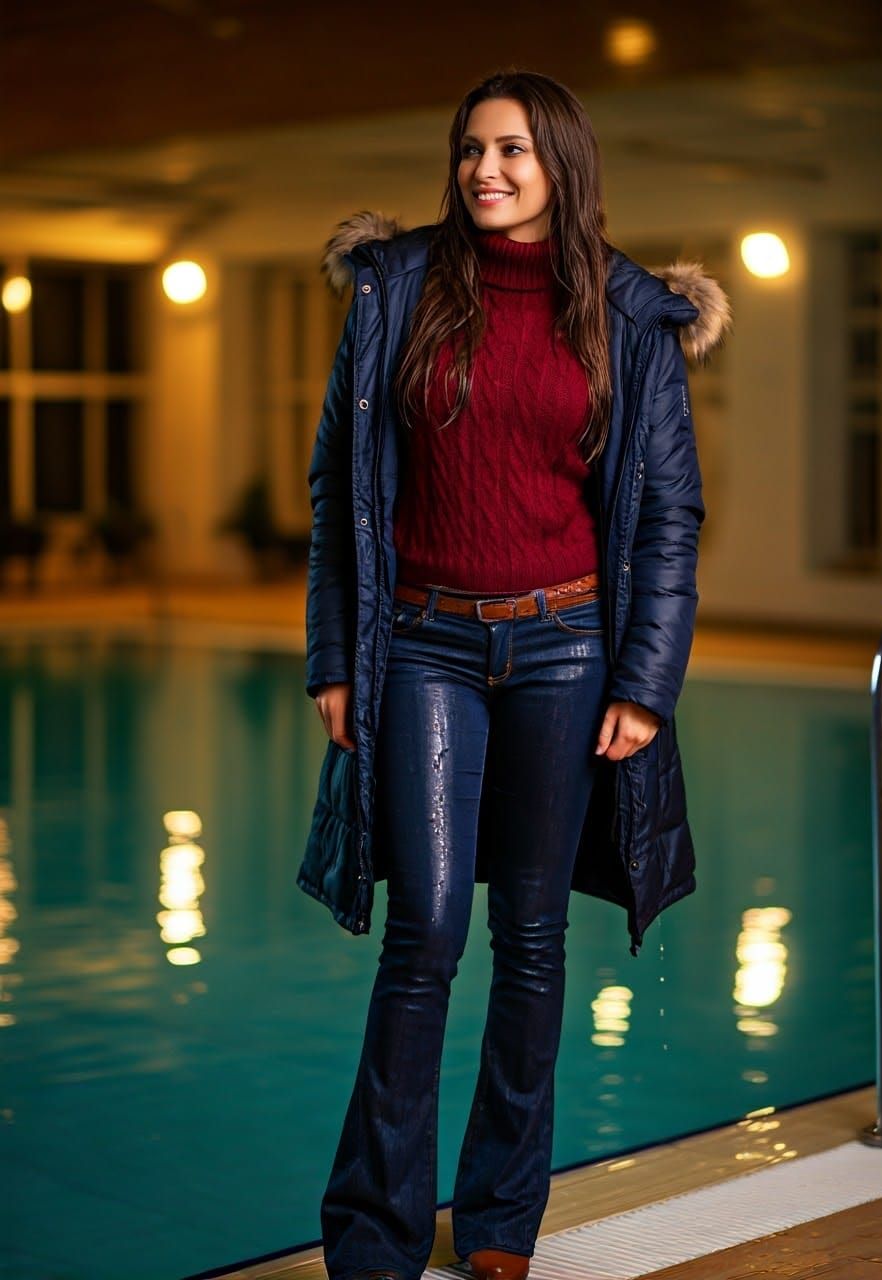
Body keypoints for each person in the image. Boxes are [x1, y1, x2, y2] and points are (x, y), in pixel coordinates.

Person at [298, 69, 731, 1280]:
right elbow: (338, 480)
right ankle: (373, 1234)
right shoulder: (395, 290)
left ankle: (496, 1224)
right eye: (468, 149)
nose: (483, 170)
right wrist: (336, 652)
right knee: (424, 933)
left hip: (565, 647)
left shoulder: (630, 314)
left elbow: (667, 515)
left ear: (559, 163)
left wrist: (644, 679)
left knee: (530, 938)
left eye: (511, 151)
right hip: (423, 644)